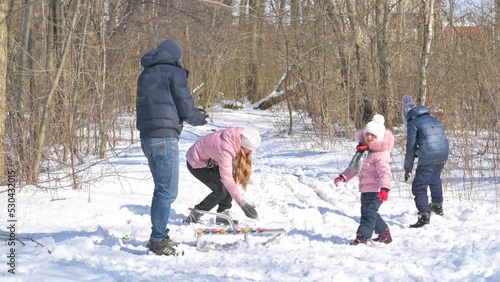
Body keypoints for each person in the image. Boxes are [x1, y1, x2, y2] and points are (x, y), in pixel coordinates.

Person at [136, 39, 209, 256]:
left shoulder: (145, 73)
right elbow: (185, 108)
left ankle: (159, 235)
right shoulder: (174, 73)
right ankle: (158, 240)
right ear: (175, 56)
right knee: (167, 191)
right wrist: (201, 118)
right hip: (164, 139)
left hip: (147, 137)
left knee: (162, 190)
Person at [334, 114, 394, 245]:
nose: (369, 137)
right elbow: (354, 168)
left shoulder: (381, 154)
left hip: (377, 190)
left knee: (369, 213)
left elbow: (385, 172)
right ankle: (384, 233)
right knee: (368, 211)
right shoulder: (363, 151)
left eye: (373, 135)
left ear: (379, 137)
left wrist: (385, 188)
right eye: (367, 134)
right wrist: (343, 177)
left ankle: (362, 237)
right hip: (365, 188)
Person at [186, 127, 260, 225]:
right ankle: (196, 213)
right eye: (248, 150)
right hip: (196, 163)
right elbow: (227, 178)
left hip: (212, 160)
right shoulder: (226, 149)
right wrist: (242, 203)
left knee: (232, 180)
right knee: (221, 190)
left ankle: (223, 214)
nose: (250, 153)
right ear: (243, 146)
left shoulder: (242, 135)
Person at [404, 105, 449, 228]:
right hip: (443, 154)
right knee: (434, 179)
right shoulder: (435, 120)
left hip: (429, 156)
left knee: (419, 186)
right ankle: (437, 205)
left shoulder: (413, 123)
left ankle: (424, 216)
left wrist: (408, 168)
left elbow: (410, 148)